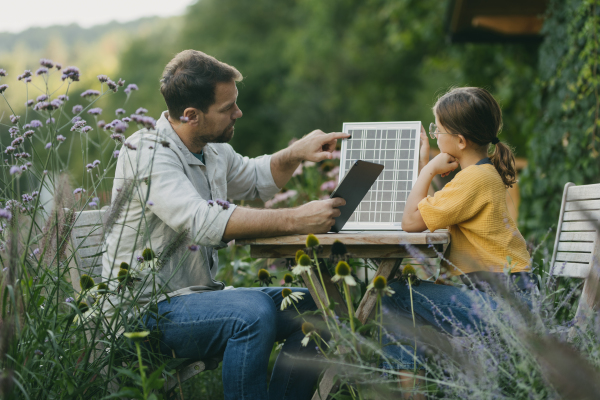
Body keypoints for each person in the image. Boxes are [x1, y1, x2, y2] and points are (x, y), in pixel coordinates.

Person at [101, 50, 348, 400]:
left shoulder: (210, 148)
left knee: (314, 307)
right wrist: (297, 218)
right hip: (145, 310)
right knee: (251, 314)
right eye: (227, 108)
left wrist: (295, 153)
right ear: (191, 115)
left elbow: (257, 177)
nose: (238, 112)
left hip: (200, 299)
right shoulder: (147, 151)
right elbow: (202, 221)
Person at [381, 87, 537, 398]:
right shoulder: (479, 174)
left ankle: (410, 394)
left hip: (500, 306)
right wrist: (425, 165)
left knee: (394, 293)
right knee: (407, 294)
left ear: (460, 141)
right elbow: (430, 207)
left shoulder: (473, 180)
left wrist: (426, 169)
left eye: (437, 129)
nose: (435, 135)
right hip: (510, 296)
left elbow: (410, 221)